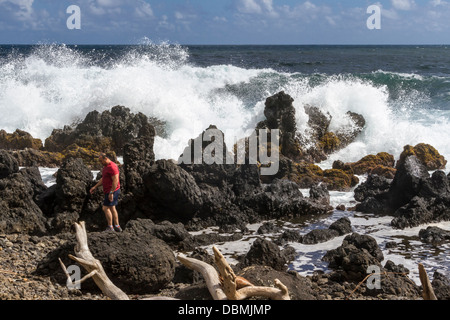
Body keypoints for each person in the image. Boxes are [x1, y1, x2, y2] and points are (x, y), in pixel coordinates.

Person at [90, 153, 122, 232]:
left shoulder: (112, 167)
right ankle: (117, 226)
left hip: (112, 191)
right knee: (112, 207)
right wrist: (95, 187)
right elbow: (103, 179)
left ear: (106, 158)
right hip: (109, 191)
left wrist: (111, 193)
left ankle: (110, 227)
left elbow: (116, 180)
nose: (100, 162)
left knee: (105, 208)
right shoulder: (106, 167)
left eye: (101, 160)